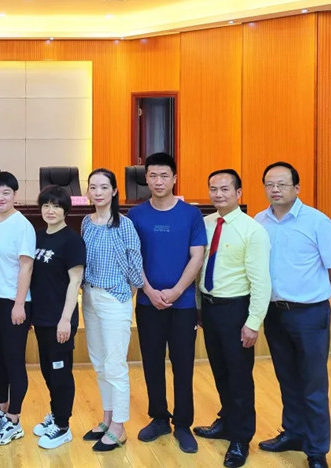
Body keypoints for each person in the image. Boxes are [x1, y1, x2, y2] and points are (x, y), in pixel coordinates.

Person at [255, 162, 331, 468]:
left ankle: (317, 450)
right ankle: (293, 433)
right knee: (287, 377)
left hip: (309, 314)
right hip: (274, 312)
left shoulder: (317, 222)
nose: (275, 189)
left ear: (297, 187)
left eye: (282, 184)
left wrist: (319, 294)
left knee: (313, 384)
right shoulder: (260, 221)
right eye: (270, 184)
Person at [127, 152, 207, 454]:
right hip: (148, 304)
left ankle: (183, 424)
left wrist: (175, 291)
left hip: (182, 305)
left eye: (164, 175)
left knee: (183, 365)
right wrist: (148, 290)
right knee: (152, 362)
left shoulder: (191, 214)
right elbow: (132, 258)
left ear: (174, 178)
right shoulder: (136, 215)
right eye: (153, 176)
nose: (158, 181)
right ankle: (159, 417)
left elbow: (197, 256)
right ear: (145, 179)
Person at [193, 169, 271, 468]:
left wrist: (253, 323)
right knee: (220, 370)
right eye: (213, 189)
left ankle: (240, 438)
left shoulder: (252, 231)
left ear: (239, 193)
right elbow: (199, 268)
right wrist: (199, 307)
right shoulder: (205, 224)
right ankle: (226, 421)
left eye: (225, 189)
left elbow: (261, 282)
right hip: (210, 309)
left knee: (239, 376)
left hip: (236, 310)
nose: (218, 194)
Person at [81, 168, 144, 452]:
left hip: (114, 299)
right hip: (89, 296)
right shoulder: (86, 221)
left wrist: (127, 292)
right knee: (99, 362)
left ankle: (119, 426)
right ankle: (106, 418)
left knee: (115, 365)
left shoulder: (124, 224)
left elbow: (135, 264)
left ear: (115, 191)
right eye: (93, 187)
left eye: (104, 187)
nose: (98, 192)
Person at [0, 171, 36, 445]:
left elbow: (26, 266)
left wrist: (19, 303)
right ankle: (2, 408)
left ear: (15, 196)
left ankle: (14, 418)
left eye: (6, 193)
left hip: (14, 302)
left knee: (14, 359)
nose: (0, 197)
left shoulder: (22, 225)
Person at [30, 186, 84, 450]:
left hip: (60, 319)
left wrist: (65, 319)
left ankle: (63, 426)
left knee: (61, 372)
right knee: (48, 370)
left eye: (56, 206)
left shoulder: (72, 240)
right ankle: (56, 413)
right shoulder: (38, 236)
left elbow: (75, 282)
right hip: (41, 318)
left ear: (65, 210)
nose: (50, 211)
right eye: (46, 205)